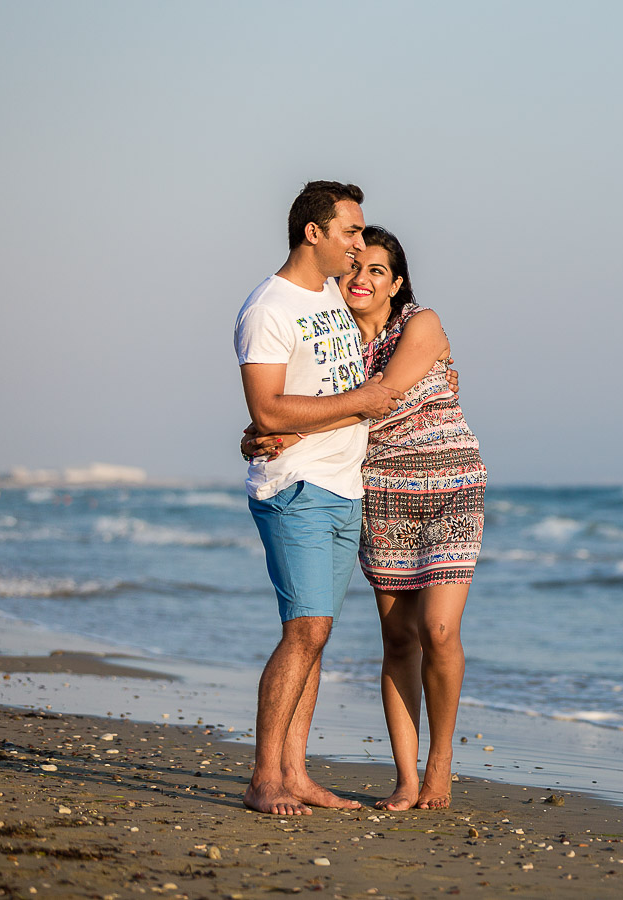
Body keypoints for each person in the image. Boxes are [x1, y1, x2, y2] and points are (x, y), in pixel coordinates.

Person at [244, 226, 484, 810]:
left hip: (447, 486)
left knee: (439, 630)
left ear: (397, 283)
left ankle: (441, 765)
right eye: (355, 266)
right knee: (398, 638)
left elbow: (381, 398)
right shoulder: (339, 337)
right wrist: (265, 427)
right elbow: (314, 395)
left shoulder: (420, 325)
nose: (362, 278)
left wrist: (281, 427)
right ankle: (406, 779)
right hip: (377, 491)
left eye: (378, 270)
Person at [234, 181, 406, 816]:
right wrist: (353, 404)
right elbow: (268, 406)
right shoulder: (269, 308)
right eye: (349, 233)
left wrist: (277, 430)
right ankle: (263, 779)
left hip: (342, 485)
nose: (358, 245)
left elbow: (290, 410)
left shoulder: (332, 294)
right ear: (314, 233)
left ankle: (295, 773)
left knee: (316, 632)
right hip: (295, 487)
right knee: (303, 630)